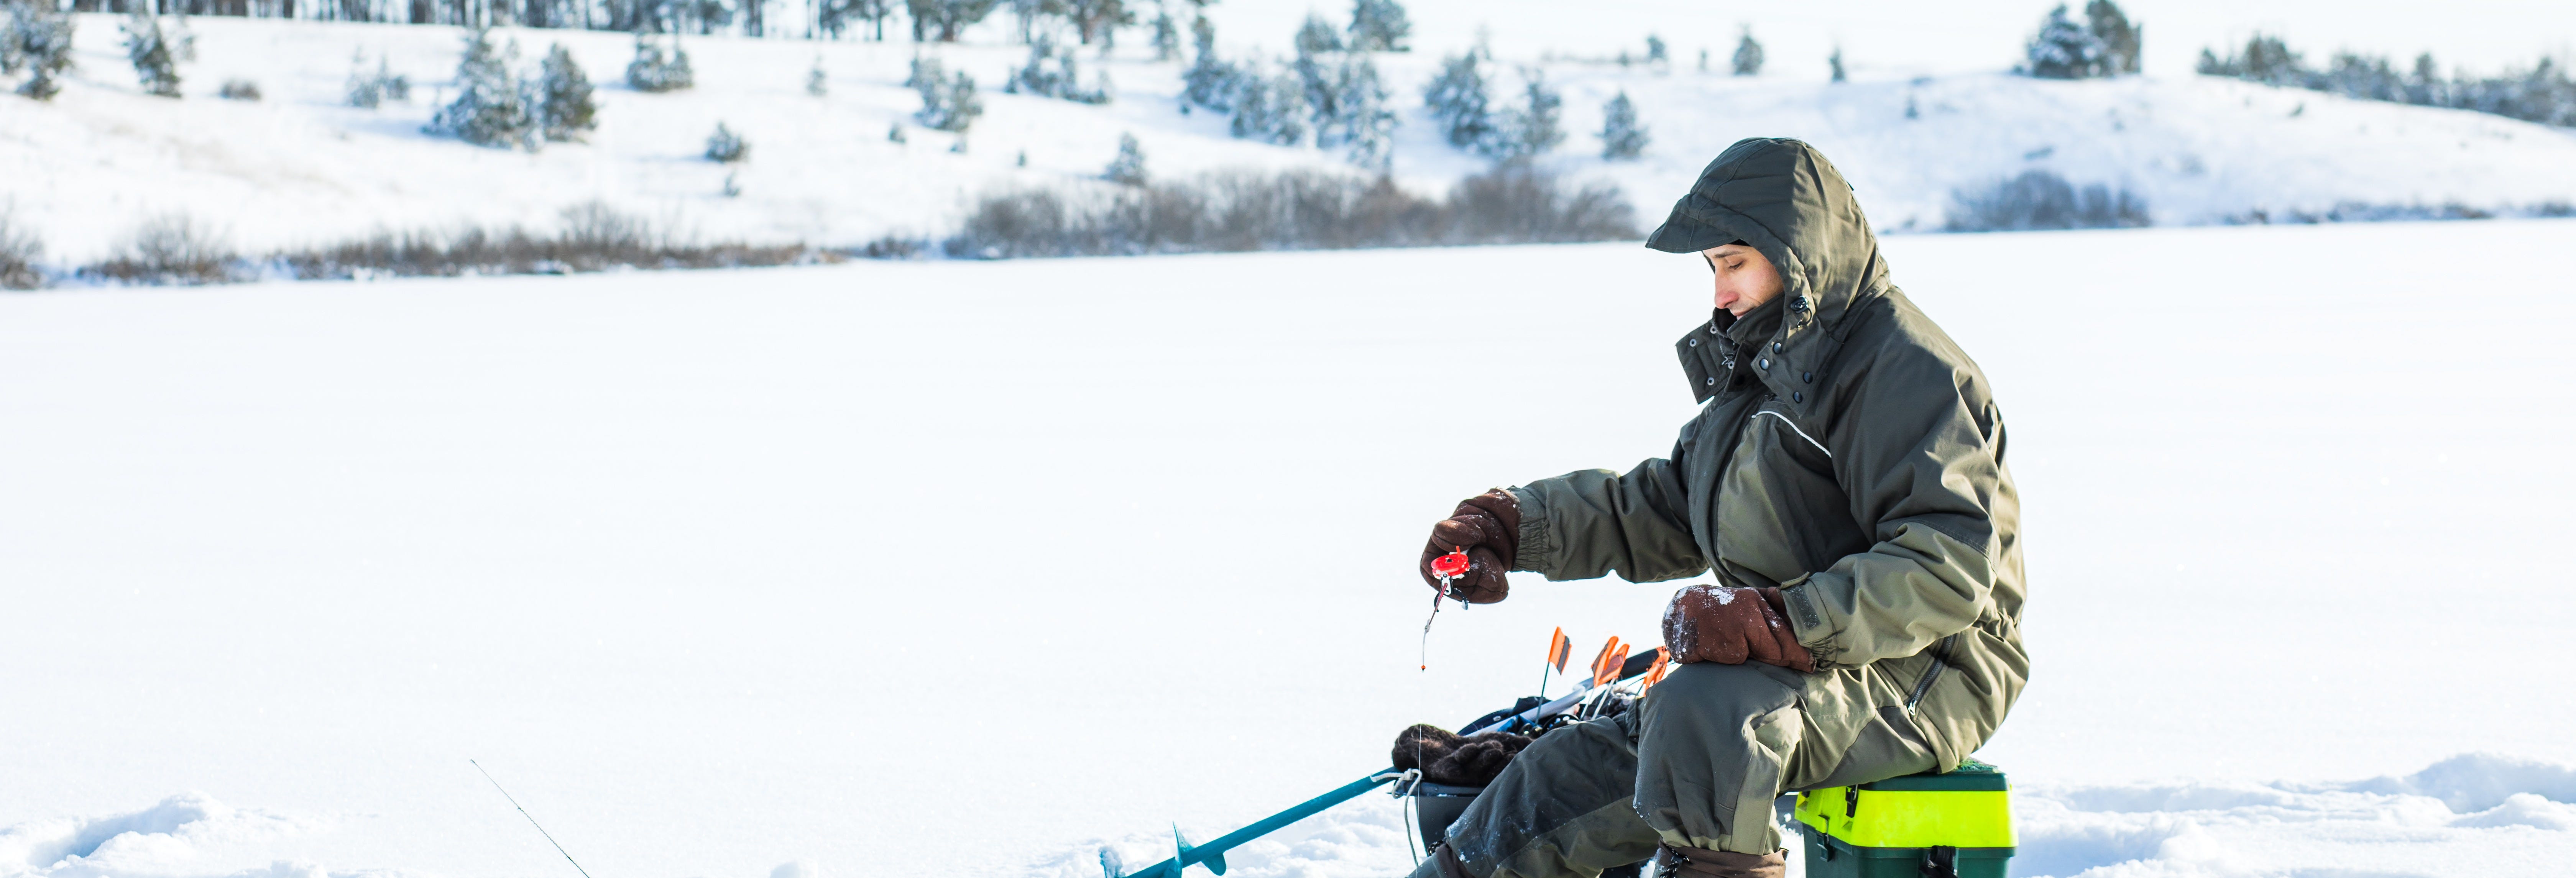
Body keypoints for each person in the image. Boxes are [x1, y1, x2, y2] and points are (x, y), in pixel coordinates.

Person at [1407, 138, 2027, 878]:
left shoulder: (1906, 371)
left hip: (1925, 667)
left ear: (1798, 251)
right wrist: (1513, 526)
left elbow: (1947, 565)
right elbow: (1666, 506)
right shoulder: (1766, 370)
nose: (1719, 292)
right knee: (1558, 777)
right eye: (1712, 269)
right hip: (1793, 665)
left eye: (1734, 263)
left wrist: (1779, 622)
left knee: (1704, 716)